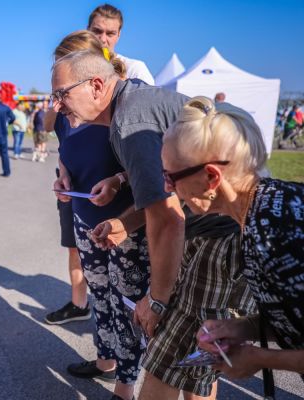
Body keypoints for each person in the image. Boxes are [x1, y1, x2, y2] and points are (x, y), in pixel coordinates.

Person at [51, 49, 253, 400]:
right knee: (189, 362)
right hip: (219, 230)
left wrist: (156, 301)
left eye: (61, 94)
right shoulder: (133, 103)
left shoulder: (130, 120)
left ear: (96, 86)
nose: (57, 106)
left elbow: (167, 220)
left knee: (180, 361)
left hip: (221, 234)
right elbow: (164, 190)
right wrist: (125, 220)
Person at [159, 96, 304, 383]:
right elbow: (293, 317)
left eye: (171, 176)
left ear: (212, 177)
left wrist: (261, 359)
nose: (166, 187)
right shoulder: (263, 209)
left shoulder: (273, 234)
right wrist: (239, 328)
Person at [50, 31, 150, 400]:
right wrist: (63, 177)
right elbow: (64, 152)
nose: (59, 100)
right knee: (100, 294)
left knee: (126, 301)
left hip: (125, 223)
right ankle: (106, 359)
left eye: (64, 85)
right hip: (82, 217)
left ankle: (126, 384)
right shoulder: (65, 111)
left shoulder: (120, 107)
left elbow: (147, 167)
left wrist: (119, 181)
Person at [87, 4, 154, 85]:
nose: (103, 39)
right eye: (97, 31)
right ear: (87, 30)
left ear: (119, 35)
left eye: (110, 33)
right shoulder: (72, 66)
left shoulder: (134, 69)